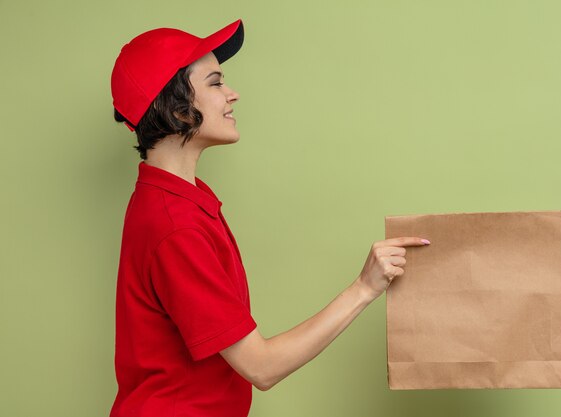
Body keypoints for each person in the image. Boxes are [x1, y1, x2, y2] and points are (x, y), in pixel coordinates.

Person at [109, 18, 431, 417]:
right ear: (173, 106)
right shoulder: (175, 225)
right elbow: (260, 367)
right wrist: (364, 288)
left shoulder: (182, 201)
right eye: (214, 82)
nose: (232, 94)